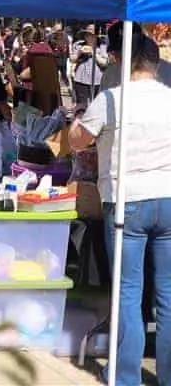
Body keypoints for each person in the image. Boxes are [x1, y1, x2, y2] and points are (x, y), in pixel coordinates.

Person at [70, 28, 171, 386]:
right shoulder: (169, 98)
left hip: (127, 200)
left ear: (125, 62)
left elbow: (76, 140)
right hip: (168, 198)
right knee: (168, 293)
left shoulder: (112, 99)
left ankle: (126, 376)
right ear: (156, 65)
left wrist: (77, 120)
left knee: (128, 291)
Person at [70, 25, 107, 106]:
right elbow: (72, 59)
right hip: (81, 79)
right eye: (87, 35)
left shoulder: (102, 46)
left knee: (97, 105)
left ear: (96, 37)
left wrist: (93, 53)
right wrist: (79, 53)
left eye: (91, 35)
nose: (89, 37)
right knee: (81, 105)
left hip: (97, 80)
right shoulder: (79, 45)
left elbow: (104, 62)